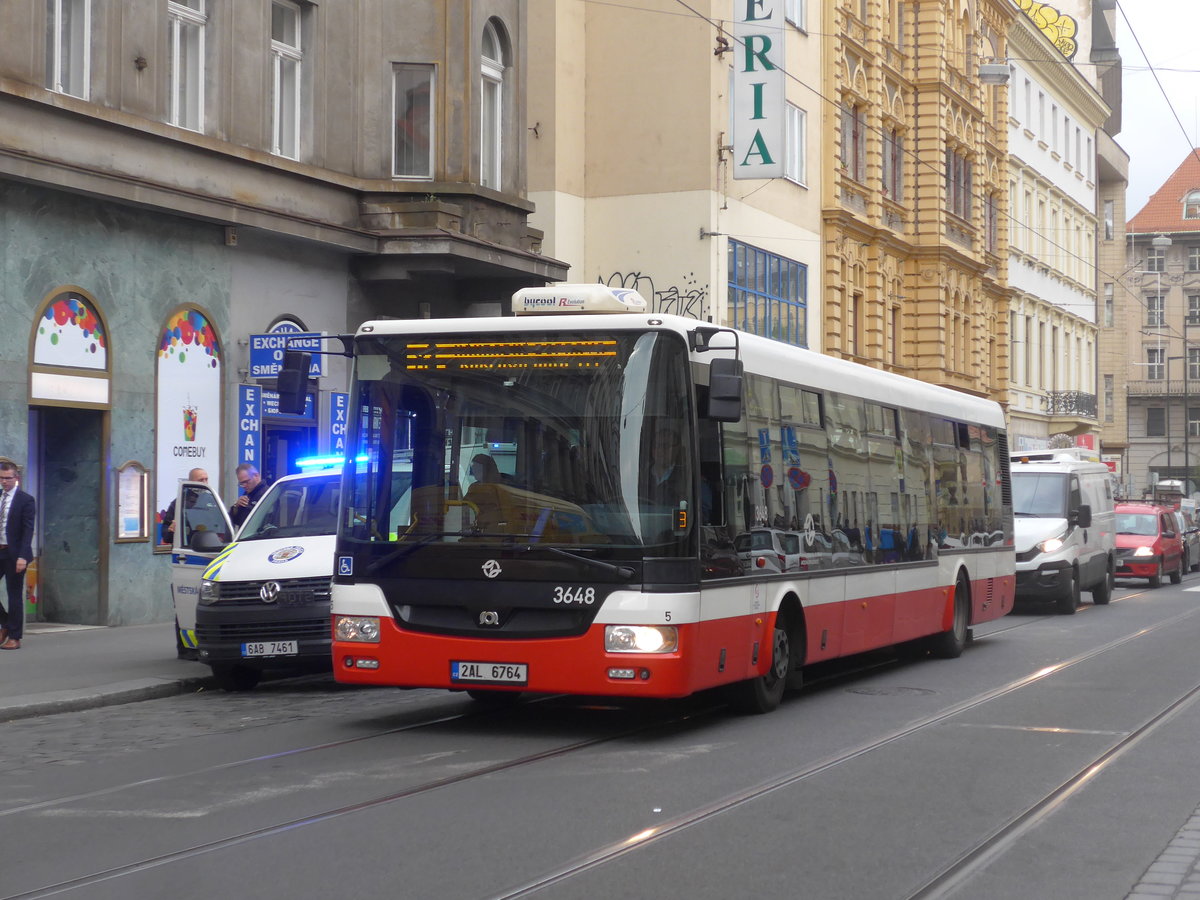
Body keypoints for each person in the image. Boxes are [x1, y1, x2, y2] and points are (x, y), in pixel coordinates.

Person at [0, 461, 36, 650]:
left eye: (8, 478)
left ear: (16, 478)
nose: (4, 482)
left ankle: (14, 637)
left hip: (15, 554)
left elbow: (28, 529)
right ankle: (5, 622)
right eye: (1, 478)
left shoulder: (25, 500)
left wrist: (23, 556)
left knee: (14, 595)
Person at [161, 467, 209, 540]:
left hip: (211, 545)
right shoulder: (180, 502)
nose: (205, 483)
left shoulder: (212, 500)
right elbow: (165, 533)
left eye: (206, 479)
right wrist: (171, 531)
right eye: (201, 480)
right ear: (191, 482)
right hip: (188, 547)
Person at [230, 463, 269, 528]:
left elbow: (263, 521)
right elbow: (236, 521)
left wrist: (249, 507)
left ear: (256, 476)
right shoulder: (247, 494)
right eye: (241, 483)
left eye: (246, 481)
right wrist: (236, 507)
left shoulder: (267, 494)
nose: (244, 486)